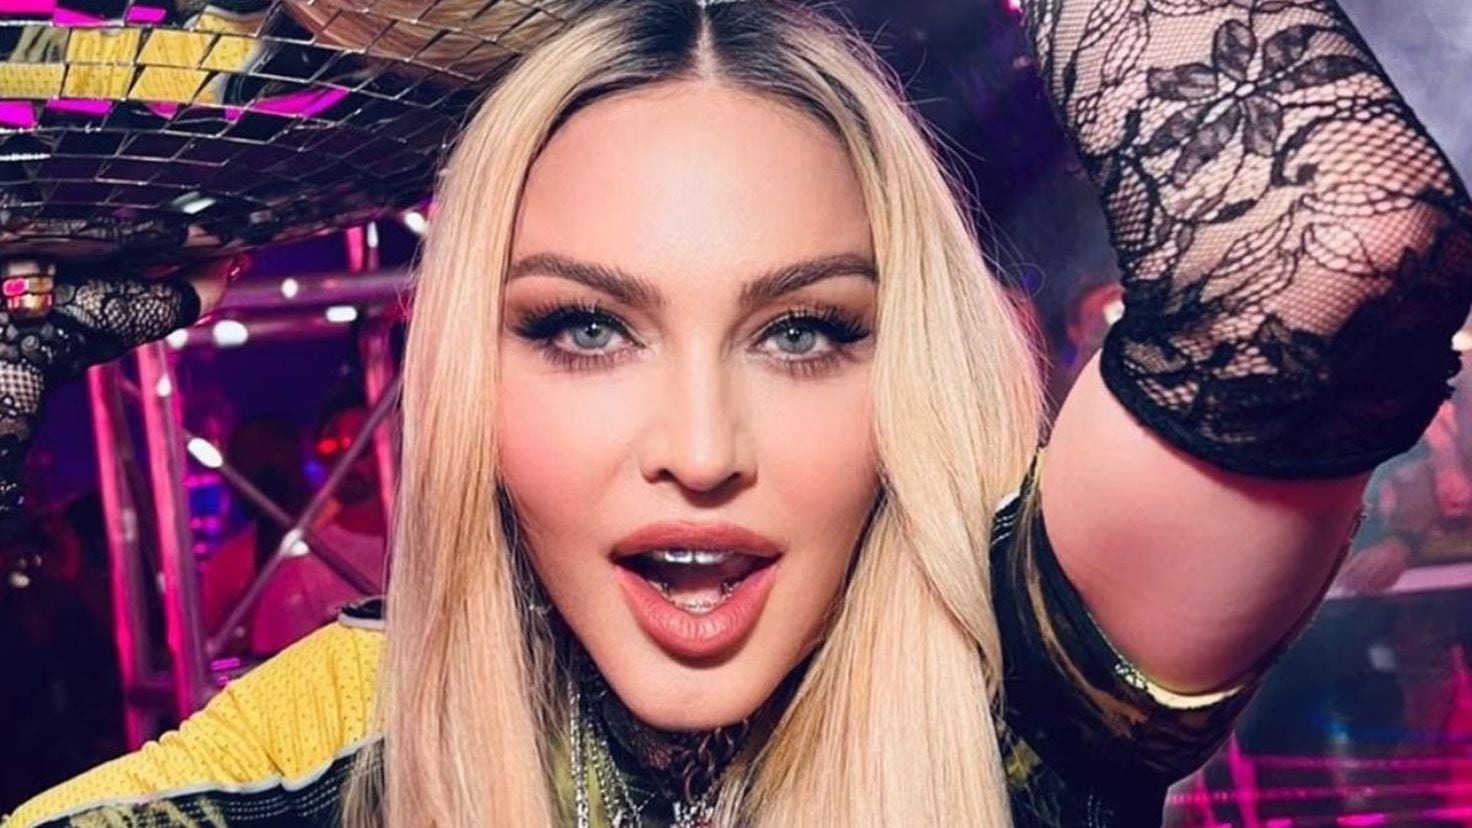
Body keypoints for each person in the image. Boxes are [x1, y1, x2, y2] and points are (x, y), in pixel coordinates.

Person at [4, 0, 1471, 825]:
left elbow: (1320, 256)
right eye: (585, 329)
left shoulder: (1012, 680)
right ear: (472, 380)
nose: (700, 452)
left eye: (805, 332)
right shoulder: (357, 727)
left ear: (908, 370)